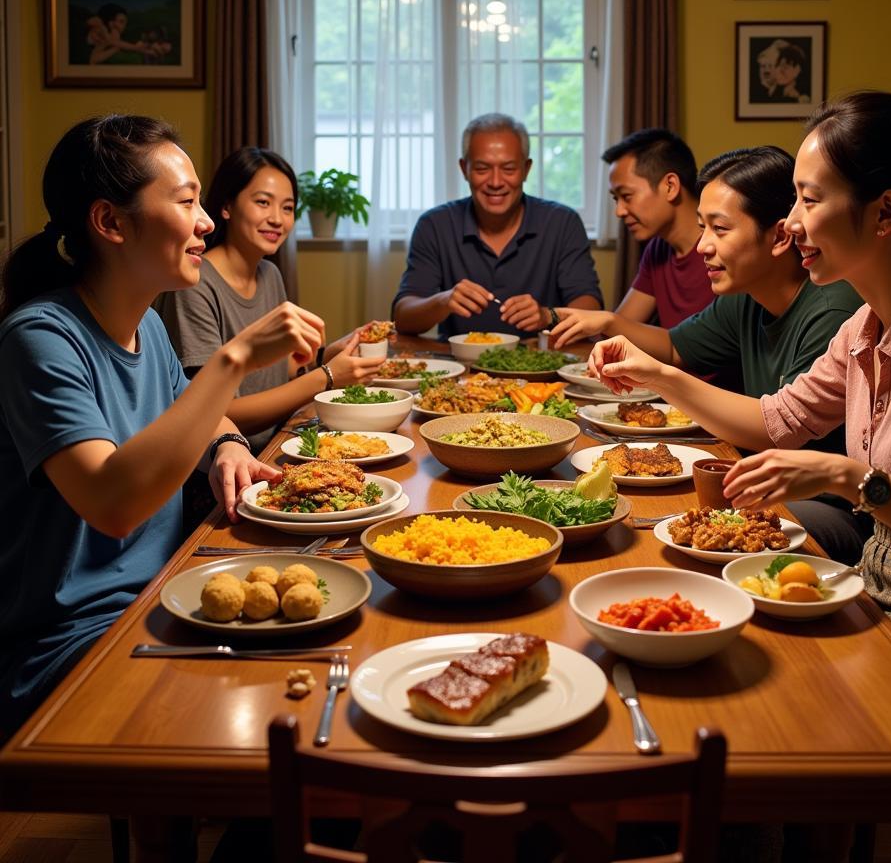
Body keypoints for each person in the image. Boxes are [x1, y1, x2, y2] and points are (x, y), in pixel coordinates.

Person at [589, 93, 891, 742]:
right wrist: (655, 374)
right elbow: (777, 419)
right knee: (732, 665)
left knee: (776, 709)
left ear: (885, 213)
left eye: (808, 200)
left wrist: (854, 479)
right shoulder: (865, 326)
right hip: (879, 587)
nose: (789, 224)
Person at [0, 116, 325, 737]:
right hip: (72, 637)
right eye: (186, 201)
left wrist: (228, 444)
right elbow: (112, 502)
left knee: (325, 660)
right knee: (291, 717)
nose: (206, 220)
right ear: (110, 222)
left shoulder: (145, 322)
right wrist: (233, 360)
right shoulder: (40, 339)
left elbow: (198, 416)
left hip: (169, 589)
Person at [553, 146, 864, 559]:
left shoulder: (833, 310)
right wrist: (620, 337)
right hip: (749, 481)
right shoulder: (747, 295)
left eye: (719, 229)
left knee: (662, 533)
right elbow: (676, 347)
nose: (701, 246)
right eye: (702, 227)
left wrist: (660, 376)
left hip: (828, 506)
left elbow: (776, 429)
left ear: (779, 236)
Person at [156, 147, 382, 455]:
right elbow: (213, 415)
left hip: (280, 442)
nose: (277, 219)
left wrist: (325, 356)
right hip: (228, 462)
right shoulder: (195, 284)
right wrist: (326, 377)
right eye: (263, 202)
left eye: (288, 208)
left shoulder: (269, 273)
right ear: (226, 206)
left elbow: (273, 374)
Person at [392, 113, 603, 339]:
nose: (495, 182)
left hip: (542, 364)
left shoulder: (562, 222)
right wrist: (443, 301)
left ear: (526, 169)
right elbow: (402, 317)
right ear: (464, 169)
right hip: (458, 366)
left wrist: (547, 315)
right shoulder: (434, 225)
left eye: (509, 169)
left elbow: (591, 309)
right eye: (482, 169)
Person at [594, 128, 714, 330]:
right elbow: (619, 327)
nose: (619, 211)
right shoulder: (658, 249)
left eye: (627, 196)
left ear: (670, 186)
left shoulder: (722, 248)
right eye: (616, 199)